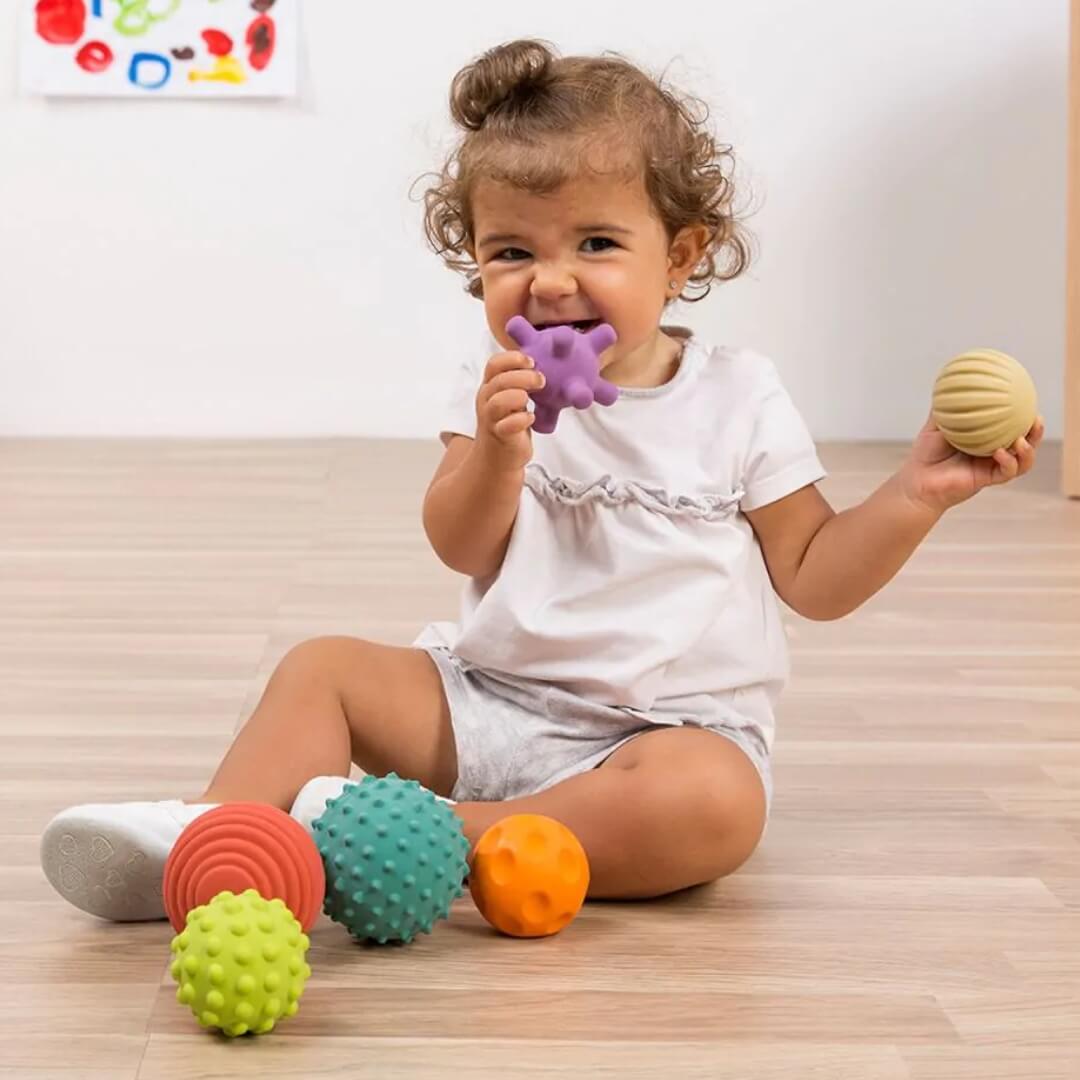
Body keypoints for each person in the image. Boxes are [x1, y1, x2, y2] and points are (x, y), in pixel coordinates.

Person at [41, 38, 1044, 920]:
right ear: (477, 264)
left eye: (596, 244)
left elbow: (815, 578)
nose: (551, 280)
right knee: (322, 668)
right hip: (489, 699)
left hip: (658, 737)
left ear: (679, 255)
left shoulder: (740, 397)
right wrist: (497, 452)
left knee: (718, 805)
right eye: (512, 251)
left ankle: (417, 837)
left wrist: (915, 493)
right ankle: (218, 837)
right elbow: (460, 546)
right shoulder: (498, 389)